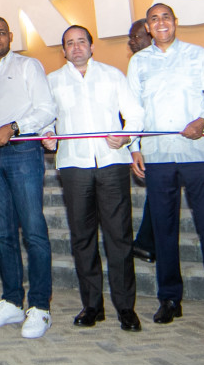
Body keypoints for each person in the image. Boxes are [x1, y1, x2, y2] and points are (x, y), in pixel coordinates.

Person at [128, 3, 204, 330]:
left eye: (166, 17)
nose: (160, 23)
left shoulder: (197, 55)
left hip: (198, 153)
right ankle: (169, 300)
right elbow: (133, 108)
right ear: (148, 27)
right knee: (163, 231)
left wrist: (203, 120)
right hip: (158, 155)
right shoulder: (138, 62)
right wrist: (135, 147)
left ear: (175, 22)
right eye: (154, 19)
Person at [43, 24, 143, 332]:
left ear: (91, 46)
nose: (76, 47)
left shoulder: (113, 75)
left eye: (81, 41)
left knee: (119, 237)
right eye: (70, 43)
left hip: (112, 163)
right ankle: (92, 306)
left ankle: (126, 308)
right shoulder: (52, 81)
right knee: (82, 238)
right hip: (74, 166)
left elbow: (135, 113)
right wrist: (48, 136)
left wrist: (126, 136)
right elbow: (46, 119)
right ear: (63, 51)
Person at [0, 17, 57, 338]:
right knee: (3, 233)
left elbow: (46, 109)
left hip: (23, 151)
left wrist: (15, 127)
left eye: (2, 33)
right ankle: (12, 301)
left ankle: (40, 307)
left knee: (33, 231)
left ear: (10, 36)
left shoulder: (28, 66)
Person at [126, 18, 156, 264]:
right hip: (152, 141)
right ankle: (147, 244)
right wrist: (135, 146)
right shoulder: (137, 64)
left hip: (183, 139)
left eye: (136, 37)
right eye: (130, 38)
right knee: (158, 192)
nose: (132, 42)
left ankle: (147, 244)